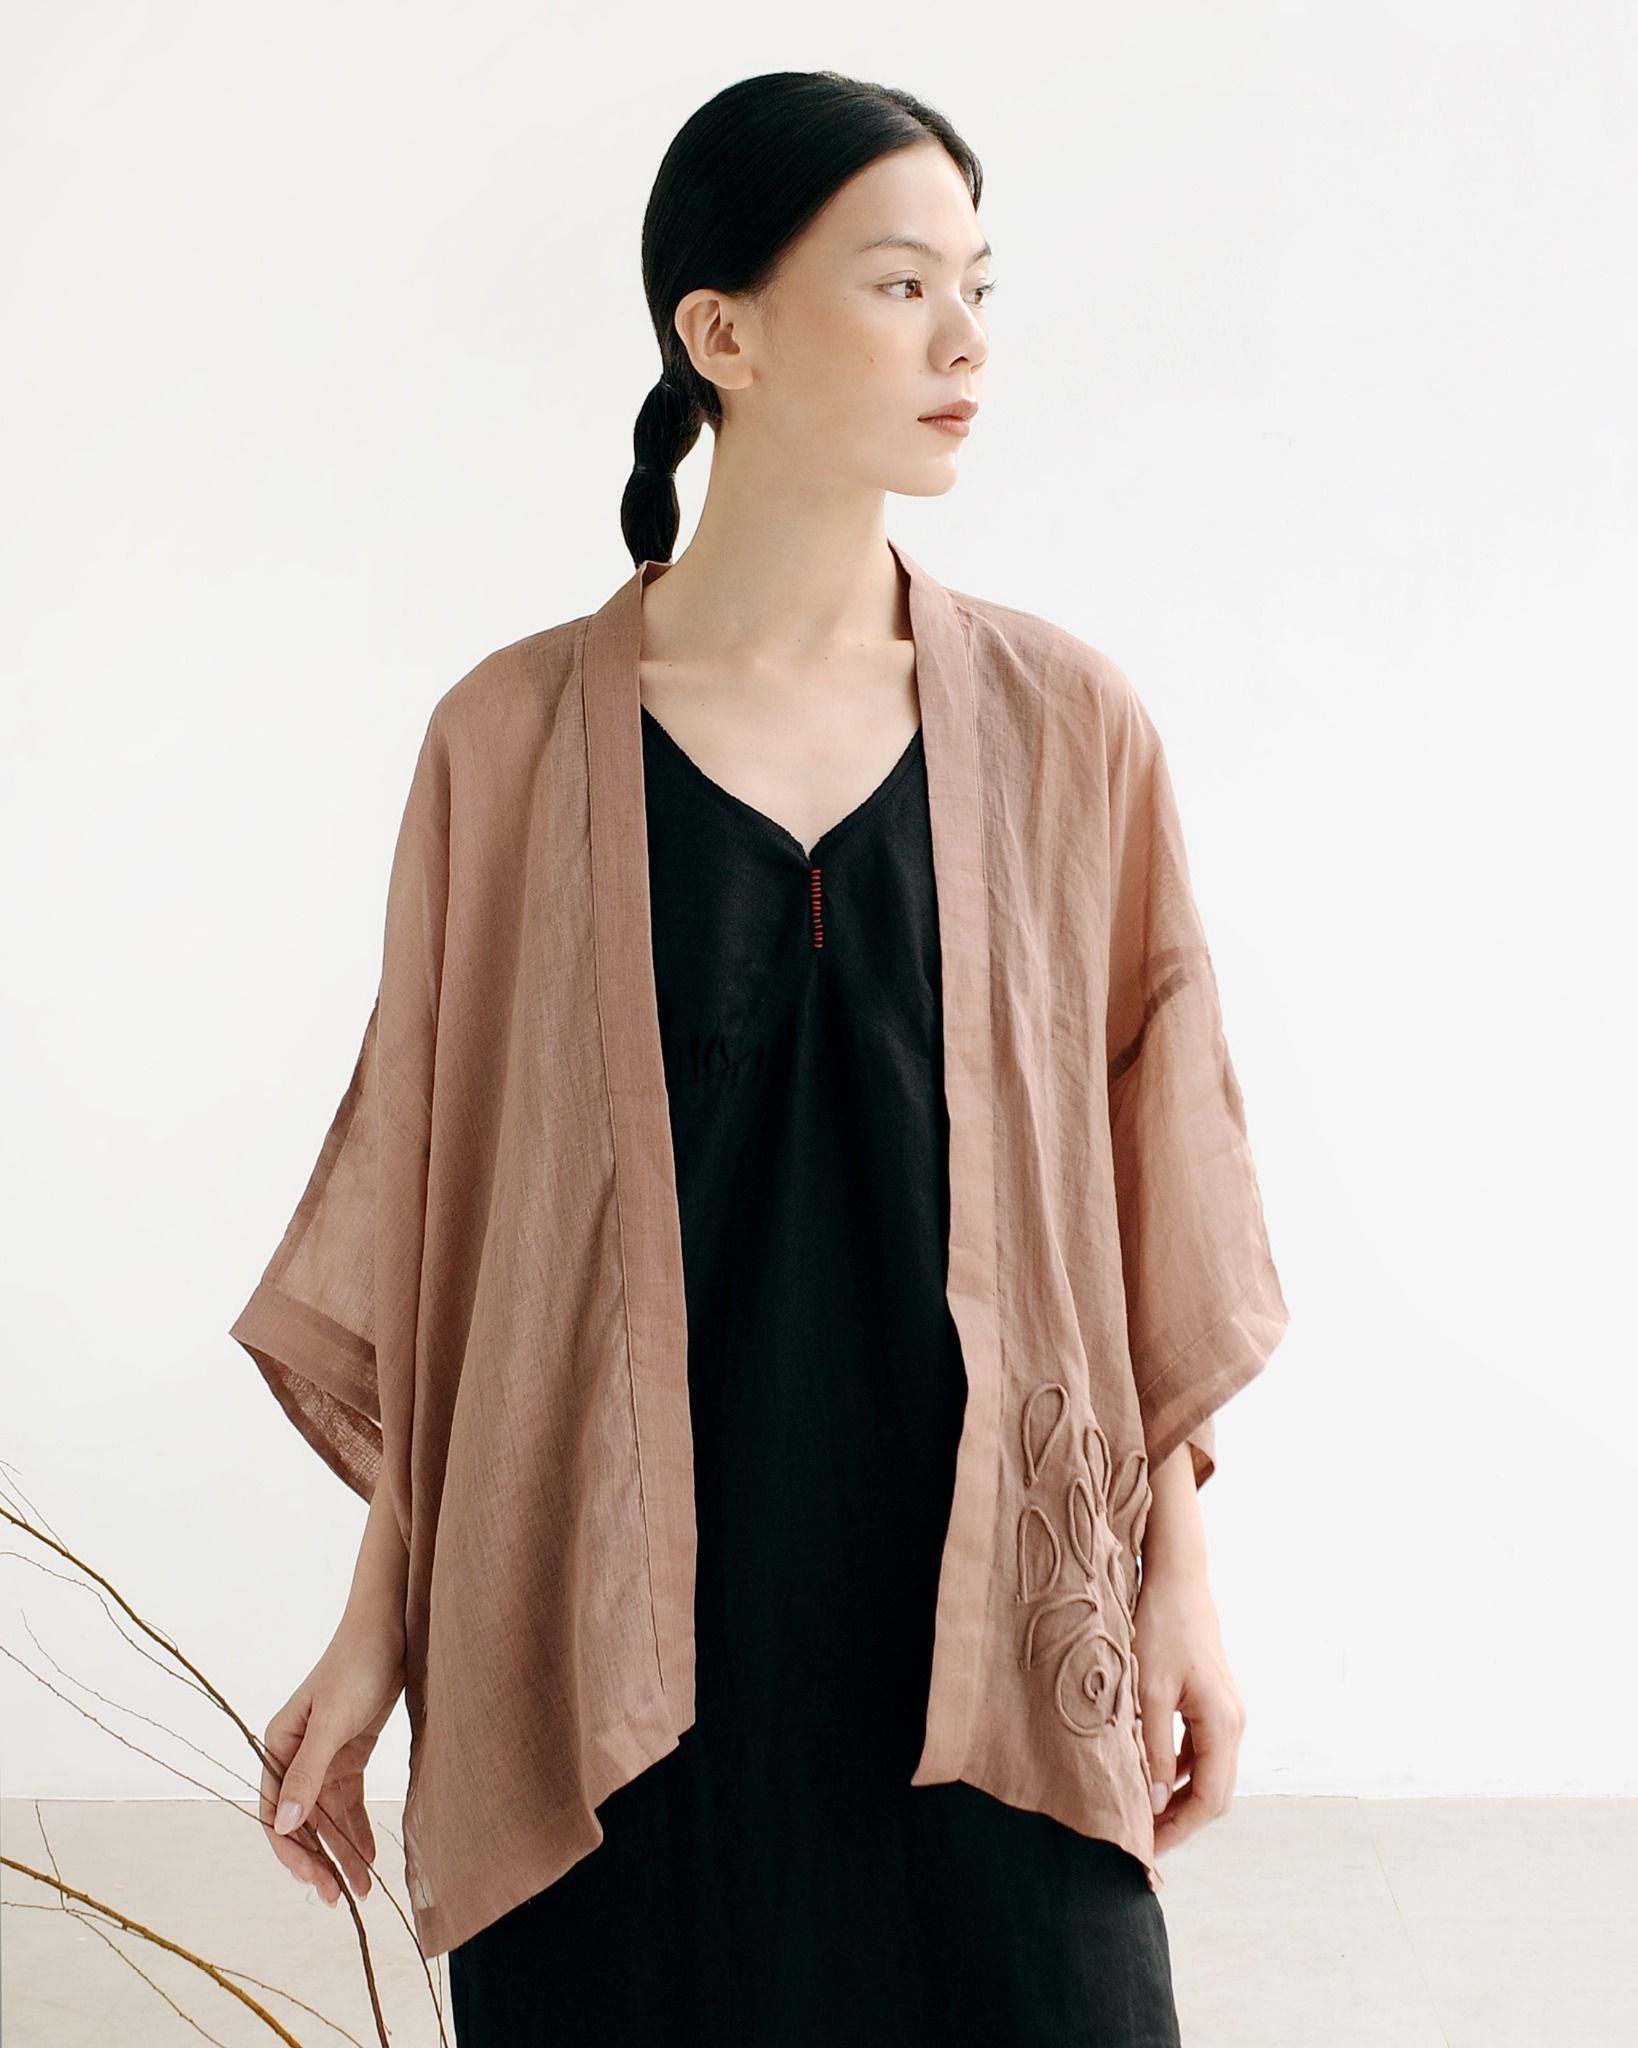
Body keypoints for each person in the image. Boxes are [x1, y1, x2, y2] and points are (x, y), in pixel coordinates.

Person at [249, 67, 1287, 2048]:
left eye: (979, 285)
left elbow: (1146, 1183)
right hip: (611, 1677)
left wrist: (1182, 1582)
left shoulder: (1068, 727)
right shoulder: (509, 744)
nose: (966, 339)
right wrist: (378, 1626)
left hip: (989, 1655)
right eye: (902, 284)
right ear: (718, 333)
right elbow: (456, 1237)